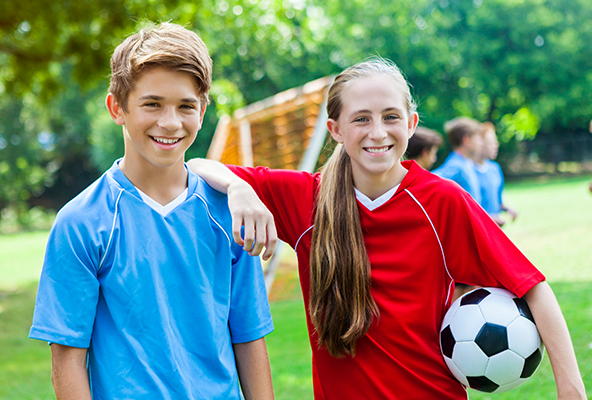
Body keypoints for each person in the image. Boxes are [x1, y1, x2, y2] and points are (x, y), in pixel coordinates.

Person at [188, 58, 586, 399]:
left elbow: (533, 288)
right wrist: (240, 188)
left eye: (390, 117)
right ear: (336, 130)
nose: (377, 132)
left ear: (411, 124)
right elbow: (194, 167)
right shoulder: (304, 198)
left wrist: (571, 389)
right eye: (361, 119)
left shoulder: (442, 201)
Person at [29, 22, 274, 400]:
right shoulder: (81, 223)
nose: (170, 123)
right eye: (152, 104)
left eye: (185, 106)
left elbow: (249, 339)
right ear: (117, 108)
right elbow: (67, 360)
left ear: (203, 111)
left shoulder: (229, 216)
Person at [474, 122, 517, 227]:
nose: (495, 146)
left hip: (495, 231)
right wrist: (489, 218)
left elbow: (497, 201)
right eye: (490, 142)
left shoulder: (495, 169)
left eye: (495, 141)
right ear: (478, 143)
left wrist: (508, 209)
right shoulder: (466, 171)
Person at [432, 116, 483, 204]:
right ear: (466, 140)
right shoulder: (456, 165)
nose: (480, 143)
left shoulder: (465, 163)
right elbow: (430, 181)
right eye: (477, 138)